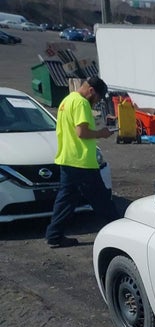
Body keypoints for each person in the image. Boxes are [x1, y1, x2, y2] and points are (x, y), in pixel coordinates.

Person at [44, 76, 115, 248]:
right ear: (91, 91)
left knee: (66, 201)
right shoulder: (82, 103)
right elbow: (81, 132)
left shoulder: (66, 101)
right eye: (97, 98)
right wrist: (101, 133)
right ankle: (120, 231)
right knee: (102, 200)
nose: (96, 102)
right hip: (81, 161)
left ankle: (54, 235)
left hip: (67, 159)